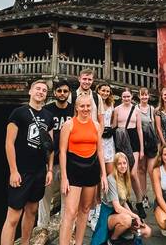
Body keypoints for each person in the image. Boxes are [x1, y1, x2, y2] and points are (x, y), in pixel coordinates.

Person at [1, 80, 54, 245]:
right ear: (30, 91)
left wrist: (50, 169)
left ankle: (25, 243)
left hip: (39, 171)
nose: (40, 92)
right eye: (37, 88)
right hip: (21, 170)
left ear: (46, 95)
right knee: (13, 216)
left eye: (44, 90)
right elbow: (9, 143)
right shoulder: (19, 113)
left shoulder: (48, 116)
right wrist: (13, 170)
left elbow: (50, 147)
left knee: (32, 210)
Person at [60, 94, 107, 245]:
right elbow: (62, 151)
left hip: (91, 170)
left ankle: (79, 242)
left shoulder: (96, 125)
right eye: (82, 106)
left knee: (85, 209)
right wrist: (64, 177)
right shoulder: (69, 124)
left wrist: (104, 175)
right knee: (70, 212)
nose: (85, 109)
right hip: (73, 171)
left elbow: (100, 151)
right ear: (76, 107)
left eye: (88, 106)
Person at [92, 152, 153, 245]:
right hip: (109, 215)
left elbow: (123, 202)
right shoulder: (111, 179)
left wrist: (134, 217)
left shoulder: (125, 177)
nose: (122, 166)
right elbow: (117, 207)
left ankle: (129, 236)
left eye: (124, 163)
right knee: (127, 220)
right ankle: (112, 240)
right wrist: (134, 216)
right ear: (115, 166)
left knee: (147, 231)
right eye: (119, 164)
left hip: (121, 214)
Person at [38, 80, 73, 228]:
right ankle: (42, 228)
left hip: (69, 161)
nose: (62, 94)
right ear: (54, 93)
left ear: (69, 93)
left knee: (67, 197)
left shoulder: (74, 110)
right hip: (50, 161)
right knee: (44, 197)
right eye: (59, 91)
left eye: (65, 91)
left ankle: (67, 228)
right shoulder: (47, 110)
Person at [113, 89, 143, 209]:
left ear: (132, 97)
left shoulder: (136, 110)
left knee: (133, 173)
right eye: (124, 96)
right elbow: (114, 126)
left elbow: (139, 129)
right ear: (121, 97)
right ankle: (126, 199)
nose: (126, 98)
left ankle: (139, 201)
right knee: (122, 172)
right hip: (121, 140)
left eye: (128, 96)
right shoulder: (117, 109)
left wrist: (142, 149)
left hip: (134, 140)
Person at [135, 87, 158, 218]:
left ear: (148, 96)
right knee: (141, 170)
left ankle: (157, 197)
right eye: (142, 95)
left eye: (146, 95)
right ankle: (144, 196)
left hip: (151, 142)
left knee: (151, 170)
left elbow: (154, 126)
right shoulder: (136, 108)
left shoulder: (151, 109)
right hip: (140, 142)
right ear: (139, 96)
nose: (144, 97)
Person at [96, 82, 116, 175]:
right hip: (98, 137)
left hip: (108, 138)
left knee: (110, 172)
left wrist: (112, 129)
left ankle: (110, 189)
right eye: (103, 90)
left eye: (107, 91)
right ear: (98, 91)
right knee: (99, 172)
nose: (105, 93)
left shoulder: (111, 104)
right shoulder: (94, 103)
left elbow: (113, 121)